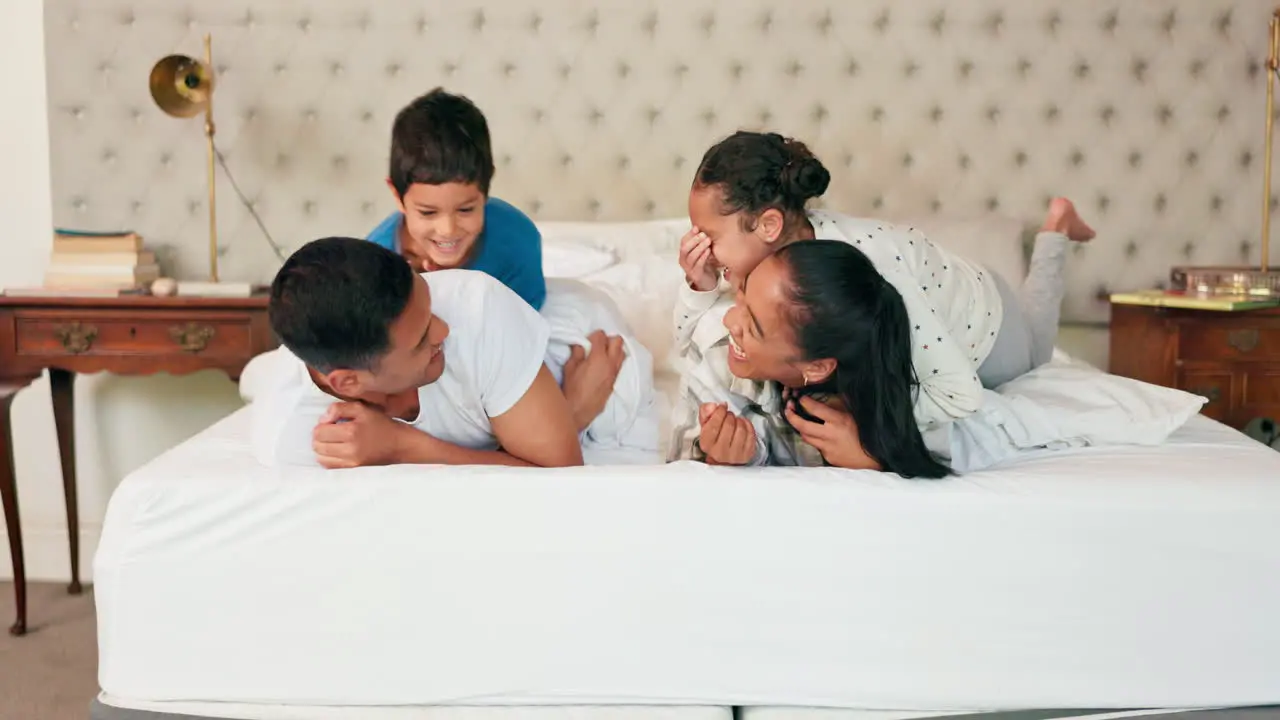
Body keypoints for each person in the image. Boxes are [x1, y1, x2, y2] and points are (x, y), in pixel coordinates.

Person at [670, 130, 1095, 444]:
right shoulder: (761, 262)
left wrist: (865, 429)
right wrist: (698, 287)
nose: (697, 246)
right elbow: (692, 349)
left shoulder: (866, 271)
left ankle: (1055, 232)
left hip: (984, 321)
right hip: (948, 275)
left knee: (1037, 353)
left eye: (707, 234)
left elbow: (959, 392)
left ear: (768, 225)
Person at [252, 237, 618, 470]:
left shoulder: (477, 310)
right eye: (421, 338)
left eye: (430, 307)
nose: (443, 330)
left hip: (581, 340)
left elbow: (561, 476)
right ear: (348, 383)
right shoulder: (293, 438)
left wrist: (402, 445)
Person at [685, 240, 952, 478]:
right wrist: (721, 459)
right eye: (741, 296)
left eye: (753, 328)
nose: (728, 320)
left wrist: (872, 465)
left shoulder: (924, 401)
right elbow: (678, 475)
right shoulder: (715, 356)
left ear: (816, 367)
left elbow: (951, 467)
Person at [367, 87, 547, 310]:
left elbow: (525, 332)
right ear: (397, 195)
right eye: (428, 212)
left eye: (465, 210)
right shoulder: (374, 268)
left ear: (486, 187)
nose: (448, 230)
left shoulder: (517, 241)